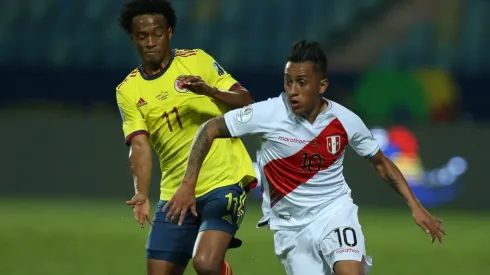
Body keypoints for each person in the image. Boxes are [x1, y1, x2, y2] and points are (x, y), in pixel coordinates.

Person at [168, 40, 447, 275]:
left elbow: (380, 162)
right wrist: (188, 183)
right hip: (290, 227)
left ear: (322, 85)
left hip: (334, 212)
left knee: (349, 271)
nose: (292, 90)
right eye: (288, 81)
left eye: (301, 82)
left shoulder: (345, 120)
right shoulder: (268, 114)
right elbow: (209, 128)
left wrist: (415, 206)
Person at [116, 0, 257, 274]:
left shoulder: (197, 61)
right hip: (175, 192)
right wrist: (141, 193)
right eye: (142, 36)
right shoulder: (128, 89)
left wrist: (209, 91)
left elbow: (246, 101)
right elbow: (139, 144)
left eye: (157, 34)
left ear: (169, 33)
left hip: (224, 180)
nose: (150, 42)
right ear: (133, 38)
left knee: (205, 263)